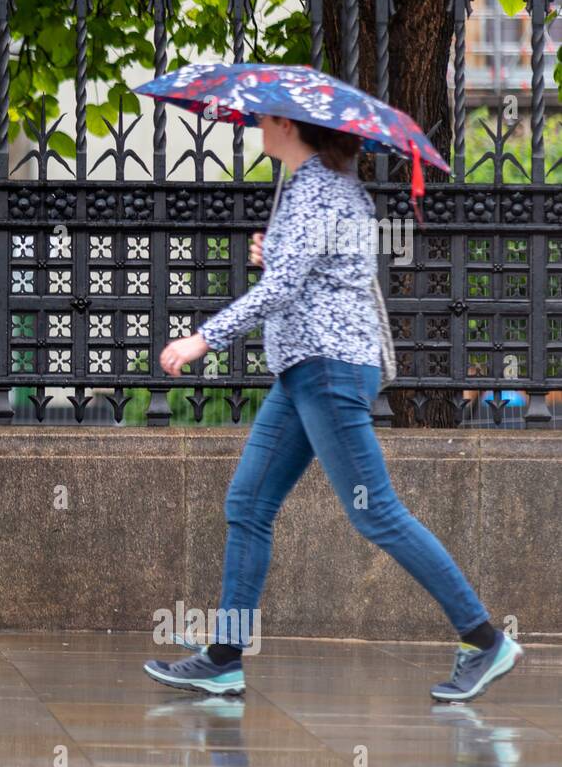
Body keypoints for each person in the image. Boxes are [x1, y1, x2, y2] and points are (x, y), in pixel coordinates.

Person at [142, 113, 522, 702]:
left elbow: (284, 288)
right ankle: (223, 657)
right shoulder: (312, 187)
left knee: (377, 513)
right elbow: (310, 273)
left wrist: (204, 338)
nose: (257, 129)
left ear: (291, 129)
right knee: (249, 502)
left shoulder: (322, 189)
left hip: (329, 368)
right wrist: (281, 253)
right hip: (304, 369)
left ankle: (484, 639)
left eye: (265, 121)